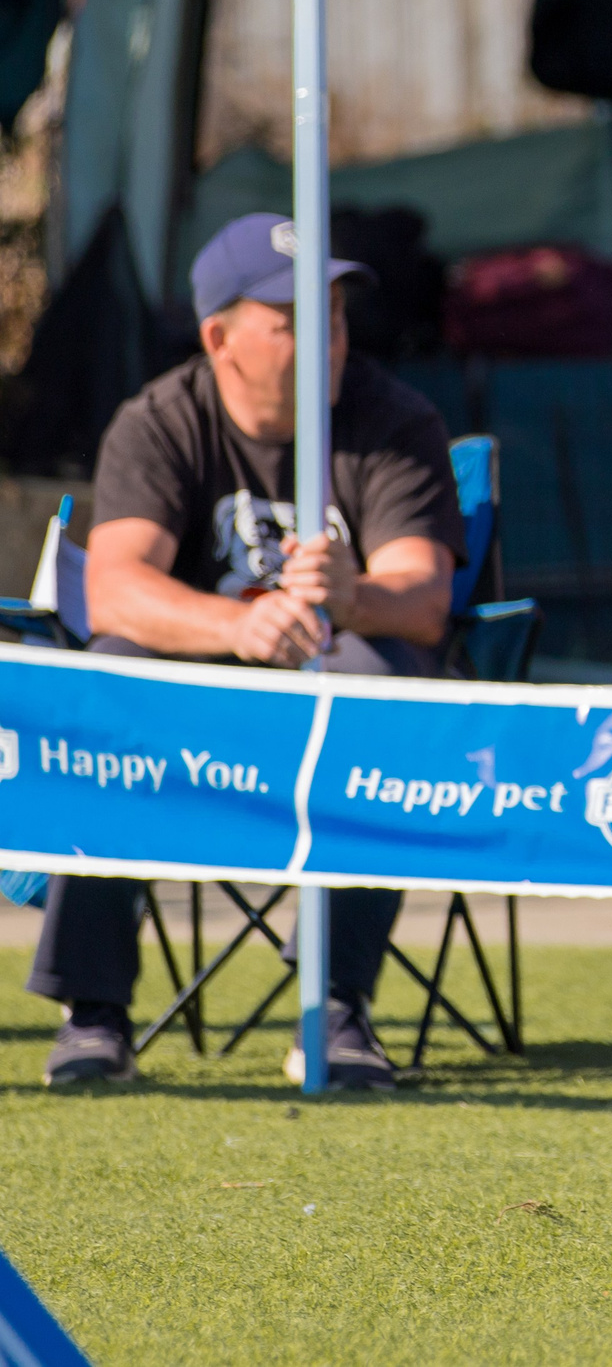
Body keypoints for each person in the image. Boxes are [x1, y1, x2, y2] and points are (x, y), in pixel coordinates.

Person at [33, 212, 466, 1090]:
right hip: (194, 690)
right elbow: (113, 588)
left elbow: (424, 600)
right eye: (294, 319)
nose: (328, 339)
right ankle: (94, 1012)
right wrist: (235, 626)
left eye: (336, 316)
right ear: (218, 336)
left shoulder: (395, 420)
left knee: (379, 684)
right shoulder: (159, 422)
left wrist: (356, 596)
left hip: (335, 683)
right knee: (109, 677)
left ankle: (333, 1005)